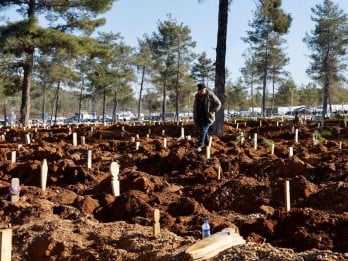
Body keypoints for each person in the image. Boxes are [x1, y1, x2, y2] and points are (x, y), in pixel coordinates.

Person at [193, 83, 221, 152]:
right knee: (204, 132)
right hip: (199, 116)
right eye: (199, 90)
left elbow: (218, 104)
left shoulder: (210, 95)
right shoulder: (197, 96)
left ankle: (199, 146)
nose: (201, 92)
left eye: (202, 90)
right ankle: (208, 145)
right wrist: (194, 115)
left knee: (203, 131)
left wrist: (212, 111)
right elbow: (195, 107)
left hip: (207, 117)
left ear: (205, 89)